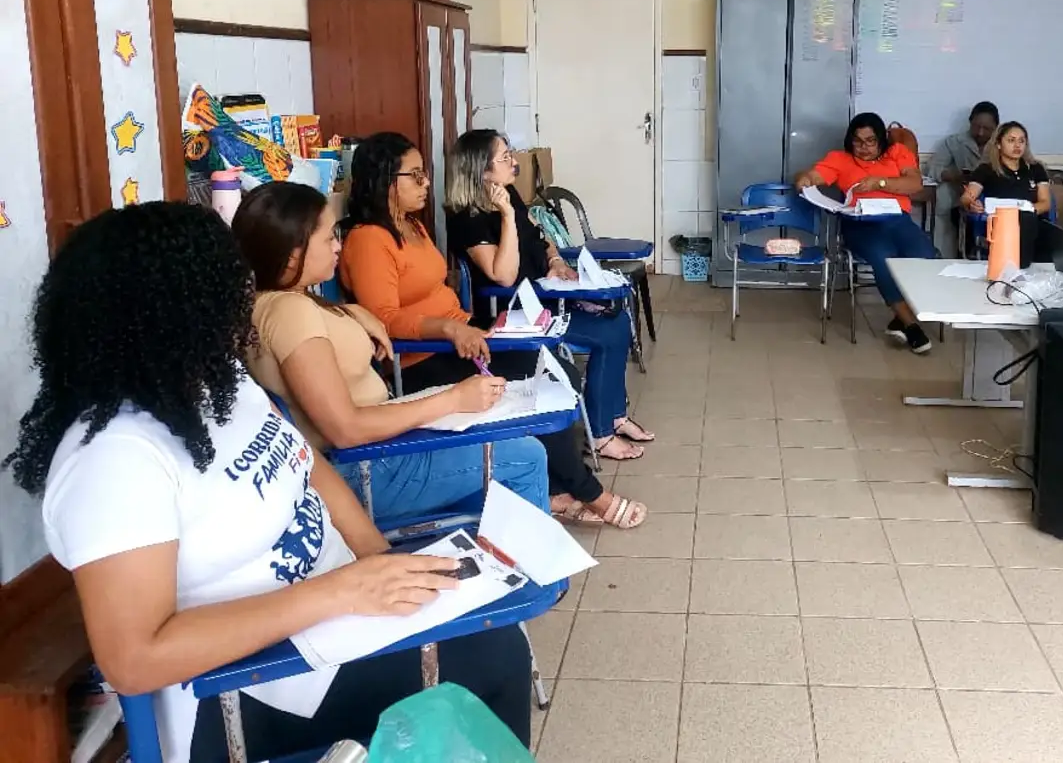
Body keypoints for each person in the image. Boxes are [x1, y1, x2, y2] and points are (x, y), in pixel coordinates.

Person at [2, 203, 530, 763]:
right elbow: (135, 659)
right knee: (492, 657)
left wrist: (376, 558)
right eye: (226, 283)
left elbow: (308, 465)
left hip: (331, 622)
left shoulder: (216, 382)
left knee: (495, 619)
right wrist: (343, 591)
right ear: (176, 307)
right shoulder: (114, 459)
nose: (242, 297)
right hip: (247, 687)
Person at [339, 132, 646, 529]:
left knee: (556, 372)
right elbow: (384, 319)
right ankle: (588, 493)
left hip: (462, 337)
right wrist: (449, 329)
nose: (426, 182)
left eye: (424, 173)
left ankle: (558, 487)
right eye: (414, 175)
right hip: (422, 357)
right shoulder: (368, 240)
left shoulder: (412, 226)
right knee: (537, 381)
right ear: (384, 181)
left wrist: (465, 325)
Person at [233, 181, 550, 522]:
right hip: (363, 468)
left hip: (375, 450)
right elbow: (346, 429)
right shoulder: (290, 312)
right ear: (293, 252)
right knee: (526, 455)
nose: (337, 246)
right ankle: (524, 554)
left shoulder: (280, 302)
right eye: (328, 239)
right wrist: (454, 400)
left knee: (503, 435)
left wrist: (354, 312)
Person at [444, 129, 652, 462]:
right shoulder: (467, 218)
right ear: (482, 170)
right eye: (505, 158)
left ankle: (614, 416)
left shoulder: (509, 194)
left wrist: (555, 260)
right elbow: (503, 275)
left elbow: (541, 237)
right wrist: (507, 217)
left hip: (545, 297)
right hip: (513, 313)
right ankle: (600, 435)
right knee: (606, 334)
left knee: (618, 320)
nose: (514, 162)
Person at [795, 112, 939, 353]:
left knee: (925, 254)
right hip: (860, 224)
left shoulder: (897, 153)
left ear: (881, 139)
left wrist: (879, 182)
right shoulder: (840, 159)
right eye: (858, 141)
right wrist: (803, 180)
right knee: (883, 258)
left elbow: (914, 184)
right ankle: (911, 325)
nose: (864, 148)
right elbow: (811, 176)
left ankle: (899, 318)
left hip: (897, 220)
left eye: (870, 141)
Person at [931, 102, 1000, 256]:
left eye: (986, 128)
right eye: (976, 126)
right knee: (945, 194)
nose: (980, 133)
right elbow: (934, 168)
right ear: (970, 122)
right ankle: (947, 255)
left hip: (993, 197)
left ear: (996, 128)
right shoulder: (953, 142)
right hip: (960, 195)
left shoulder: (1003, 144)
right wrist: (955, 175)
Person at [960, 120, 1052, 225]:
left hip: (1031, 222)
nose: (1017, 145)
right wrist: (972, 205)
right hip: (999, 224)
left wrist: (1024, 213)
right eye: (1011, 140)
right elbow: (966, 198)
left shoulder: (1036, 168)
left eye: (1021, 141)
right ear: (998, 144)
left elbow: (1045, 203)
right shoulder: (986, 169)